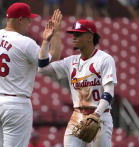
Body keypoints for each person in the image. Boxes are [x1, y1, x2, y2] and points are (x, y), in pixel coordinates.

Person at [0, 2, 62, 147]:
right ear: (20, 19)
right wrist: (57, 33)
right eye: (28, 18)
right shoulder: (25, 42)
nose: (30, 22)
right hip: (16, 104)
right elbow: (50, 61)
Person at [38, 19, 117, 147]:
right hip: (77, 116)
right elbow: (42, 68)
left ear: (90, 37)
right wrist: (46, 41)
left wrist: (96, 114)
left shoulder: (104, 59)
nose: (74, 37)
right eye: (73, 34)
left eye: (78, 34)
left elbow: (109, 92)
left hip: (100, 117)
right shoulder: (71, 61)